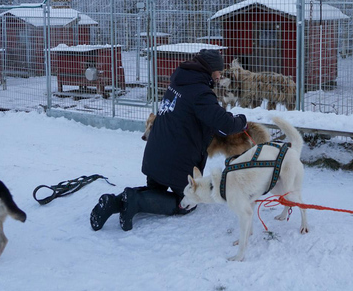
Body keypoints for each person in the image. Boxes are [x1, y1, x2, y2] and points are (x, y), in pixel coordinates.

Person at [90, 48, 247, 231]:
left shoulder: (179, 81)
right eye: (219, 71)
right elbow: (224, 124)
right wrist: (242, 121)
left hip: (155, 155)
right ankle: (135, 200)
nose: (220, 76)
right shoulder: (200, 92)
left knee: (156, 192)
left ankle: (115, 201)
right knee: (187, 202)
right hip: (176, 160)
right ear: (210, 70)